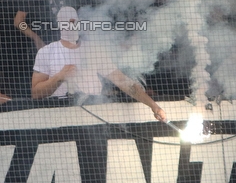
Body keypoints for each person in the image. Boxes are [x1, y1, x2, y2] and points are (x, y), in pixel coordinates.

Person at [30, 7, 166, 122]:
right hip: (59, 114)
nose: (72, 25)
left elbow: (122, 81)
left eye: (75, 21)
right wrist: (58, 78)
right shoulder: (47, 52)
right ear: (59, 24)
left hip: (93, 112)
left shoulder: (93, 50)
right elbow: (36, 93)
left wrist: (153, 106)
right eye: (67, 22)